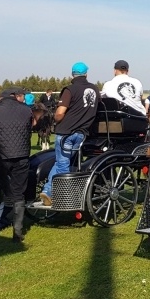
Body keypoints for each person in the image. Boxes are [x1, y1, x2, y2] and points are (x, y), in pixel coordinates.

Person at [39, 62, 100, 207]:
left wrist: (54, 118)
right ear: (86, 73)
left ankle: (56, 195)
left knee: (62, 166)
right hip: (81, 133)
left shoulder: (69, 90)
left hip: (66, 132)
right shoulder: (95, 89)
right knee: (61, 162)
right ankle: (47, 191)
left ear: (72, 74)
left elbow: (60, 113)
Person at [0, 87, 35, 242]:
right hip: (21, 156)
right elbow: (32, 125)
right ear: (15, 96)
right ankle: (18, 233)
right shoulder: (27, 110)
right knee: (18, 194)